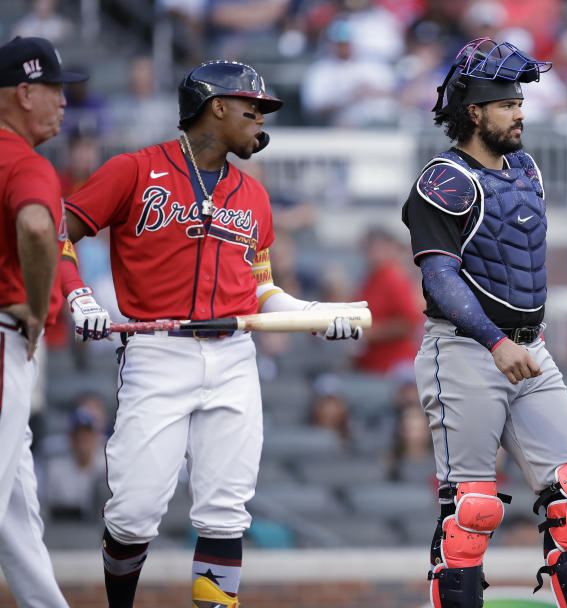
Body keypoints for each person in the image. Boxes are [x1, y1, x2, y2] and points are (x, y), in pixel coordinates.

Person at [63, 59, 362, 608]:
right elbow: (60, 233)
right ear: (216, 106)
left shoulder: (255, 196)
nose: (261, 120)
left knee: (226, 511)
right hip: (157, 352)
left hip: (233, 357)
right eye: (254, 108)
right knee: (132, 513)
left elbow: (262, 290)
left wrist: (317, 313)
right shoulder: (133, 170)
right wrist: (77, 294)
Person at [402, 38, 567, 608]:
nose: (521, 112)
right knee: (470, 511)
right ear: (475, 112)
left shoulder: (525, 168)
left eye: (520, 102)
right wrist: (494, 342)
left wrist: (515, 344)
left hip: (530, 350)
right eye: (507, 104)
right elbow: (440, 279)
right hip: (467, 350)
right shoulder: (443, 180)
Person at [0, 35, 99, 608]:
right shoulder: (25, 162)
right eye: (55, 90)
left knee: (16, 515)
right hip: (4, 343)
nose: (65, 101)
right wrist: (39, 308)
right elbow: (38, 228)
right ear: (23, 92)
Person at [353, 226, 423, 375]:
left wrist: (371, 333)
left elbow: (408, 322)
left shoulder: (393, 277)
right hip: (372, 363)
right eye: (369, 247)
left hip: (394, 366)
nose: (372, 253)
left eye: (378, 247)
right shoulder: (370, 278)